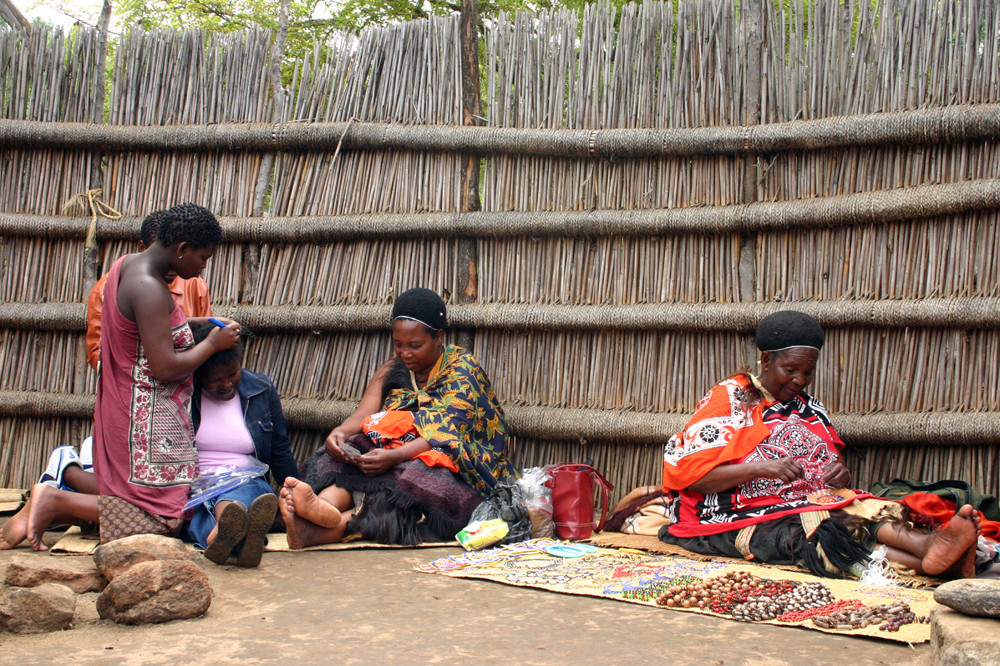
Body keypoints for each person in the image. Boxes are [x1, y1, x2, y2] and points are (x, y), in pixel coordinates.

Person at [657, 310, 982, 579]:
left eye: (808, 372)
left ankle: (928, 547)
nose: (799, 380)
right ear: (766, 360)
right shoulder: (730, 400)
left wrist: (840, 474)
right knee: (816, 536)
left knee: (860, 508)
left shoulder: (809, 407)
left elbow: (832, 468)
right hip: (726, 515)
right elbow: (691, 477)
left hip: (806, 503)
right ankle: (933, 562)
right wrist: (761, 467)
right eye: (790, 369)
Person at [16, 203, 239, 550]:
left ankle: (62, 498)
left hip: (131, 409)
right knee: (161, 518)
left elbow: (147, 332)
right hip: (144, 420)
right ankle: (58, 502)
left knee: (153, 508)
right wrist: (212, 343)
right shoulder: (149, 287)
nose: (203, 266)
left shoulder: (127, 266)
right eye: (203, 258)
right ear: (181, 250)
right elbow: (164, 367)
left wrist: (199, 326)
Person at [277, 287, 518, 548]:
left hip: (453, 461)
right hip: (396, 449)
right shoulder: (394, 368)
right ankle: (321, 506)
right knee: (352, 452)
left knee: (409, 482)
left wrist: (394, 457)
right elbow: (363, 414)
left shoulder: (462, 369)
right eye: (398, 344)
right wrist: (340, 433)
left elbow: (445, 434)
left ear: (438, 337)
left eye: (414, 346)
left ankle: (324, 529)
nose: (404, 353)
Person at [182, 321, 298, 567]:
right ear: (198, 375)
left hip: (245, 479)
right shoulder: (183, 395)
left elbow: (279, 451)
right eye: (215, 380)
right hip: (196, 487)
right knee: (197, 516)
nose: (226, 385)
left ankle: (227, 533)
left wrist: (299, 492)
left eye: (233, 373)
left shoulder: (260, 389)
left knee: (243, 496)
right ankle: (238, 538)